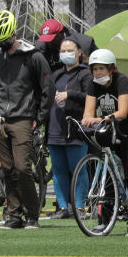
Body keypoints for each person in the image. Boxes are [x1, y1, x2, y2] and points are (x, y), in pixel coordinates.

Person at [0, 10, 54, 229]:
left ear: (14, 33)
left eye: (5, 40)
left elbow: (47, 87)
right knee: (7, 169)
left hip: (23, 118)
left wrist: (39, 117)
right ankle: (14, 215)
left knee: (22, 168)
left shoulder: (33, 56)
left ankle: (32, 215)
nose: (2, 45)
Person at [82, 48, 128, 237]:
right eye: (94, 69)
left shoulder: (122, 82)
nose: (97, 73)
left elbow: (123, 113)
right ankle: (104, 222)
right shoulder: (93, 85)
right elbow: (88, 111)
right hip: (108, 129)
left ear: (111, 69)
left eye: (101, 69)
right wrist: (88, 119)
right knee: (106, 176)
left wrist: (99, 118)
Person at [47, 37, 92, 219]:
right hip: (55, 127)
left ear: (79, 52)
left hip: (75, 129)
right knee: (58, 170)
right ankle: (63, 207)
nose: (66, 54)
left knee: (78, 169)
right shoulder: (57, 73)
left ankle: (80, 207)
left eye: (70, 50)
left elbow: (90, 96)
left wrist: (69, 94)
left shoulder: (85, 74)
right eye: (63, 51)